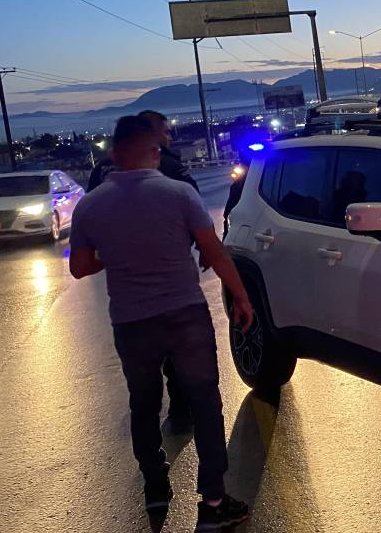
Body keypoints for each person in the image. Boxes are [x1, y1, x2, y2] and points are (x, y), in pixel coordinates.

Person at [69, 115, 253, 529]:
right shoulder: (179, 193)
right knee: (206, 402)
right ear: (155, 152)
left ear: (114, 155)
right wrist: (241, 298)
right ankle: (213, 502)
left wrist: (116, 255)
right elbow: (215, 252)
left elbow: (80, 267)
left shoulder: (91, 205)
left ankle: (155, 488)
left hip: (132, 321)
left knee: (144, 402)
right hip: (185, 313)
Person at [87, 110, 197, 434]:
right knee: (177, 342)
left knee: (139, 358)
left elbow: (92, 216)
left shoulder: (102, 171)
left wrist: (111, 252)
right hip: (170, 279)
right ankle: (179, 407)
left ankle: (151, 456)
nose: (169, 137)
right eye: (165, 131)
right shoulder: (171, 165)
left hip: (125, 290)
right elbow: (196, 214)